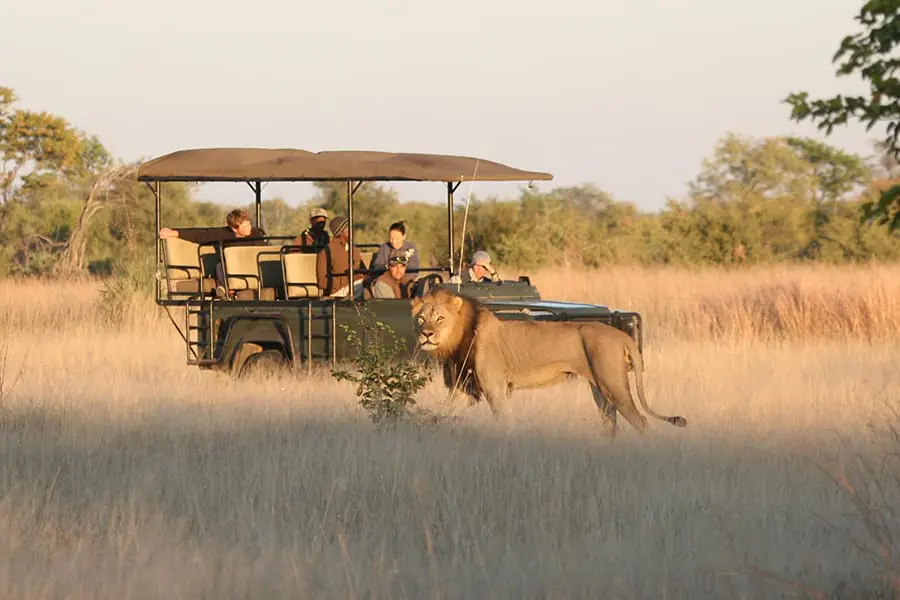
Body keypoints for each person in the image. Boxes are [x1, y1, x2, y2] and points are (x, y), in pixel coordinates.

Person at [316, 216, 367, 298]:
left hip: (357, 286)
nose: (352, 231)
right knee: (363, 290)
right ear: (340, 232)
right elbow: (322, 282)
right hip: (338, 292)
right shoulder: (327, 251)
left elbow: (364, 271)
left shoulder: (354, 249)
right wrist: (346, 280)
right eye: (348, 228)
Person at [158, 208, 265, 245]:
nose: (249, 228)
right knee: (220, 266)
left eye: (249, 224)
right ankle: (226, 289)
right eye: (245, 227)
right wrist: (174, 233)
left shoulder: (256, 234)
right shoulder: (223, 234)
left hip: (250, 268)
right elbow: (201, 235)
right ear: (234, 228)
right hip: (230, 270)